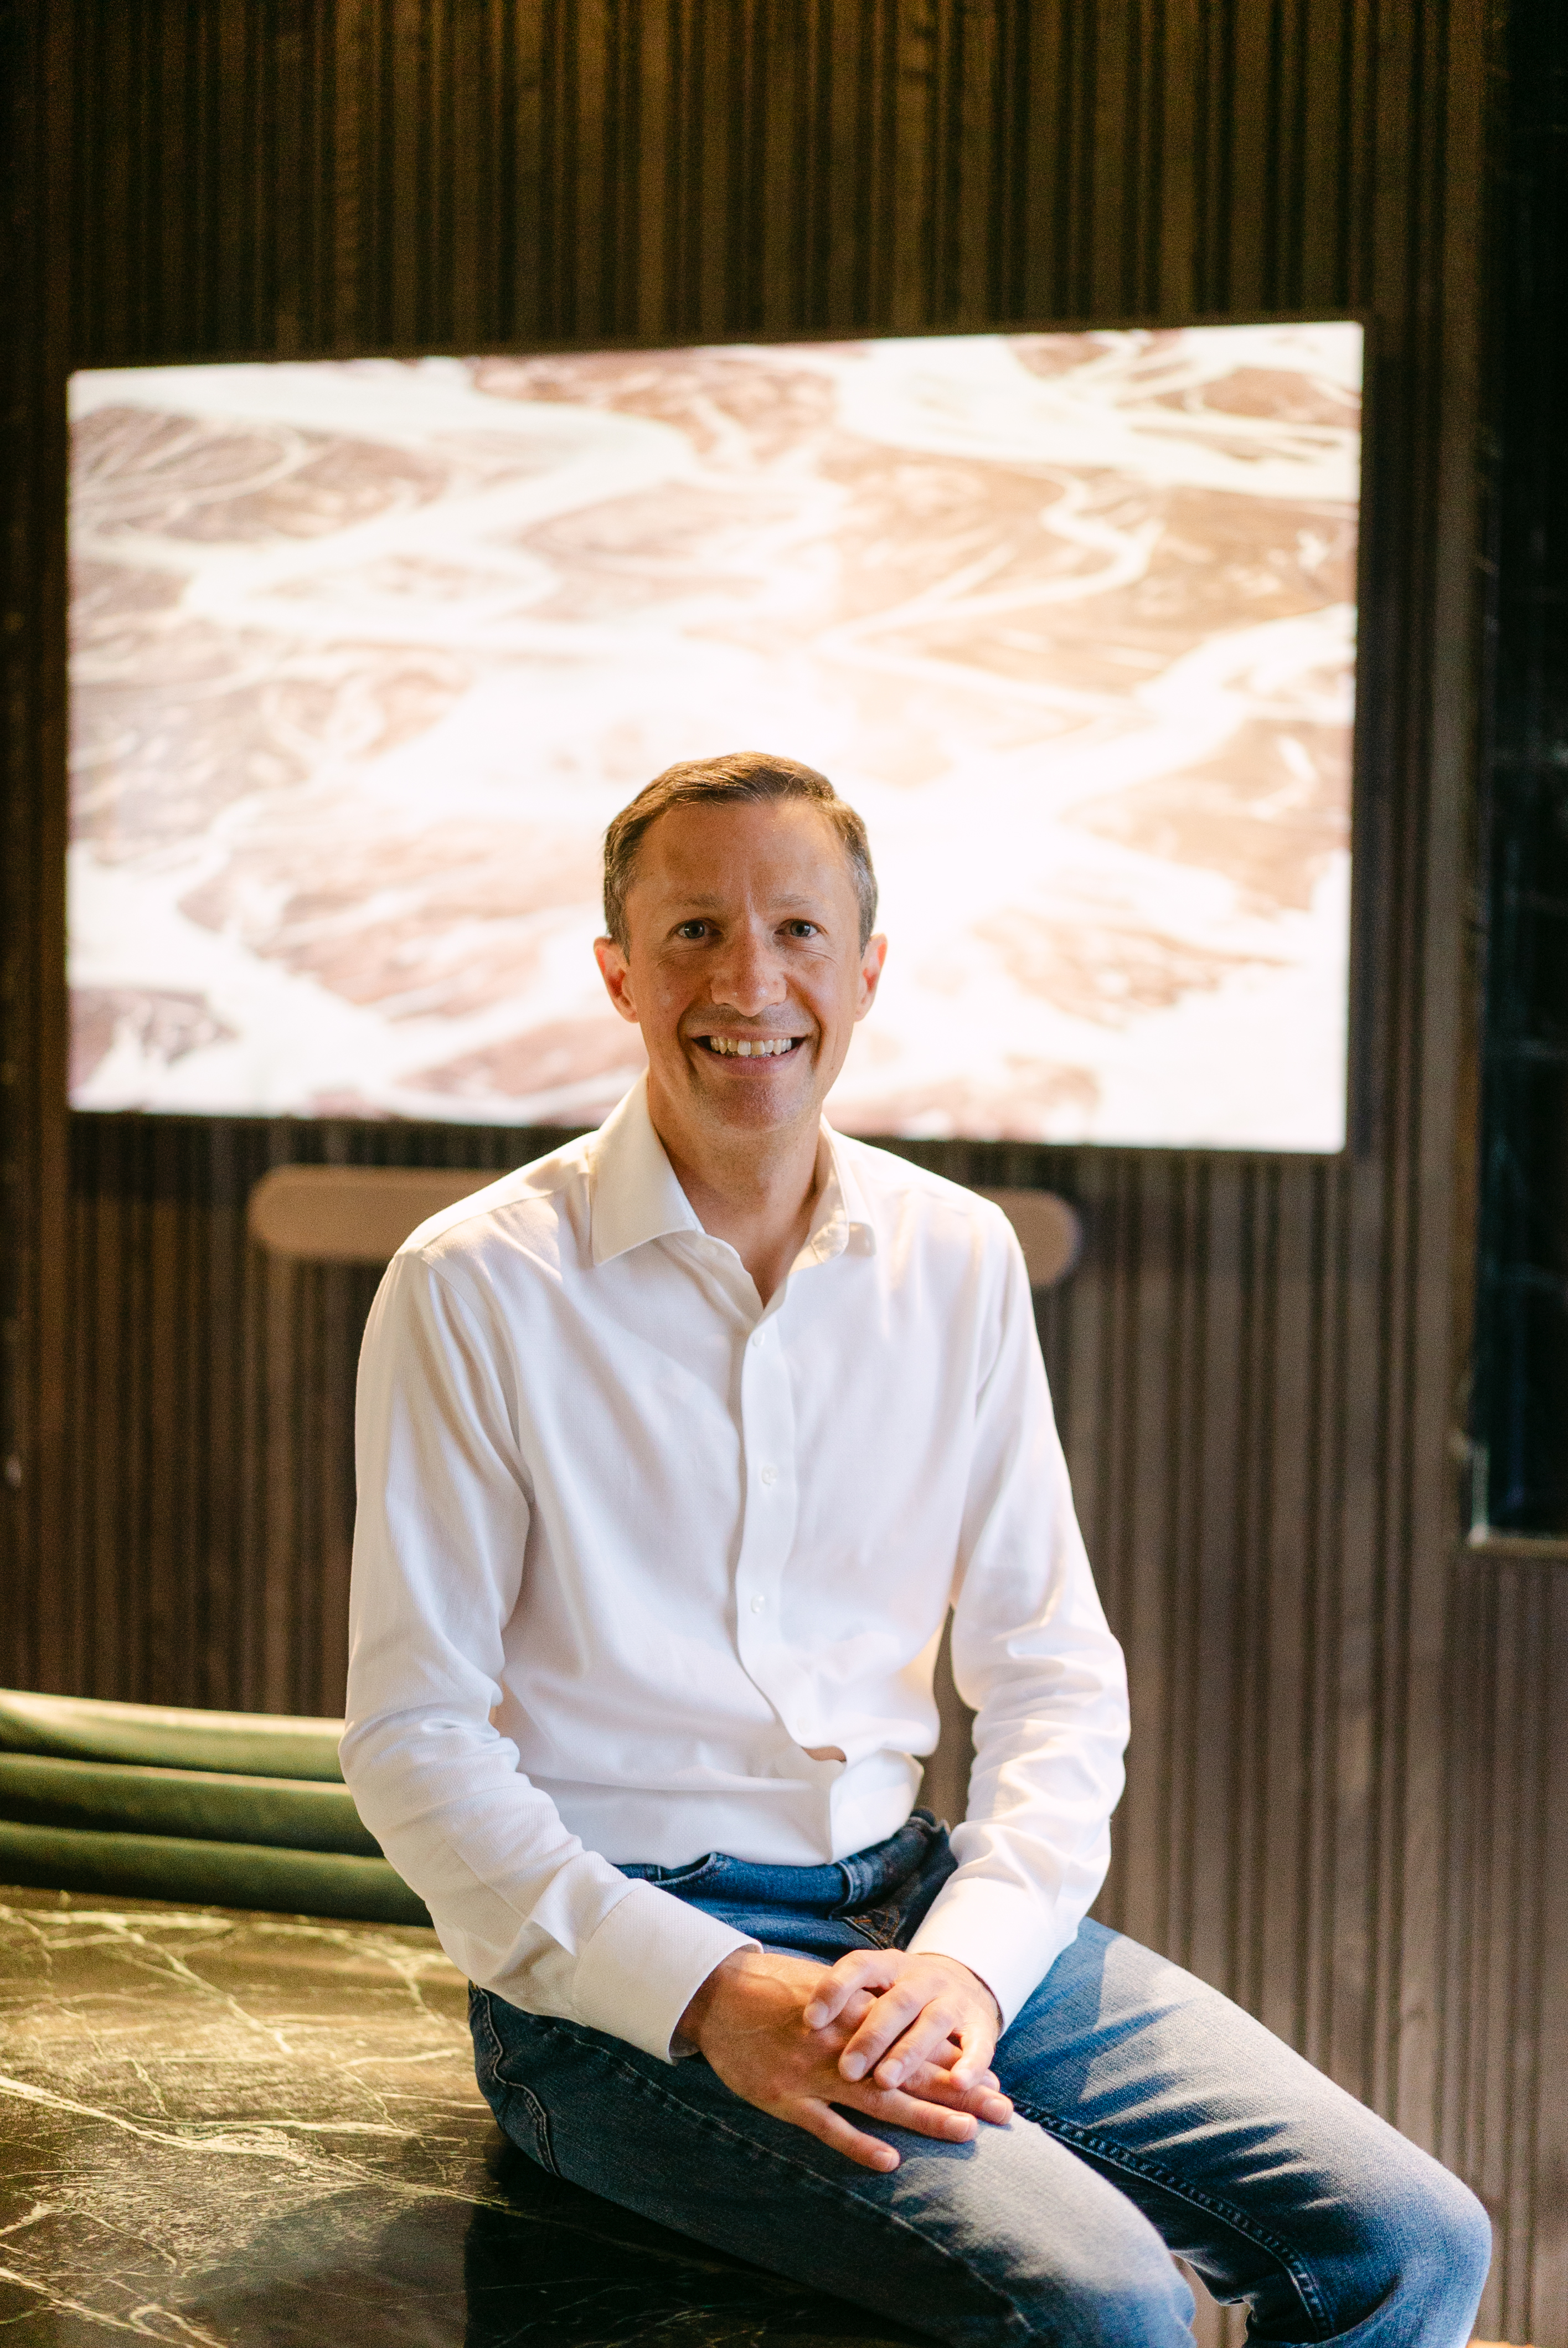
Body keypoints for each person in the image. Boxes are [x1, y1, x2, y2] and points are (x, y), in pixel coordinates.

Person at [342, 752, 1490, 2345]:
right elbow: (414, 1745)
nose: (751, 982)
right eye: (693, 934)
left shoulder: (955, 1255)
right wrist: (715, 1990)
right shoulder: (472, 1286)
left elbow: (1052, 1675)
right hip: (620, 1985)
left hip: (912, 1908)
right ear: (616, 971)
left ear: (867, 970)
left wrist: (969, 1963)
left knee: (1416, 2246)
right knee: (1110, 2310)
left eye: (799, 930)